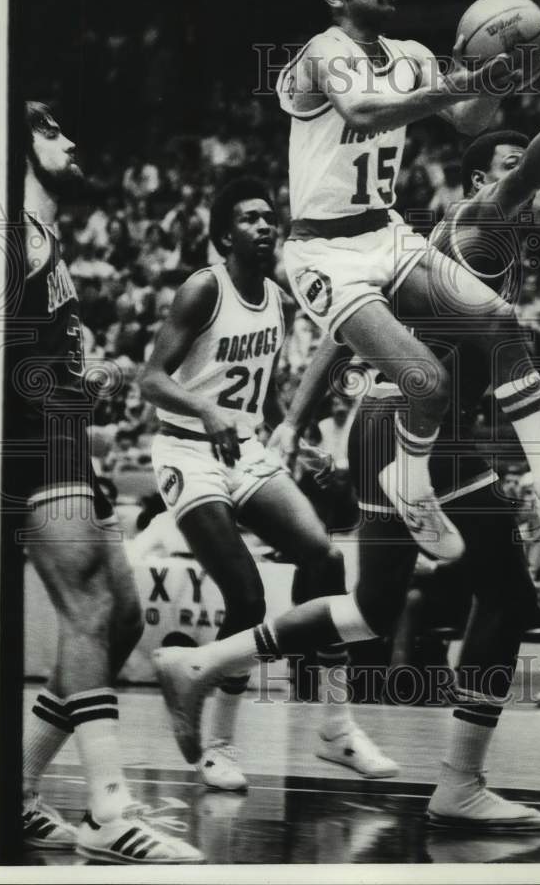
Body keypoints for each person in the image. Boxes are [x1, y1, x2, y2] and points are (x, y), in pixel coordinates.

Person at [152, 31, 540, 827]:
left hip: (385, 425)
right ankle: (459, 782)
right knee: (510, 595)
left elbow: (346, 335)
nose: (524, 183)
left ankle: (204, 660)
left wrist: (296, 419)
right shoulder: (475, 226)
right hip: (419, 432)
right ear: (480, 177)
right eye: (507, 168)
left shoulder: (443, 249)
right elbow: (527, 178)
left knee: (374, 608)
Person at [277, 0, 540, 558]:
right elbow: (362, 113)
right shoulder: (321, 53)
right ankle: (409, 487)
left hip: (383, 231)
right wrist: (475, 76)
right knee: (428, 382)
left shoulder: (410, 54)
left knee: (499, 321)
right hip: (324, 250)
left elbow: (470, 119)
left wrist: (518, 77)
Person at [139, 177, 397, 788]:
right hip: (187, 451)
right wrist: (205, 410)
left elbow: (260, 388)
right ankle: (221, 744)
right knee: (248, 597)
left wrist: (294, 438)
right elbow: (150, 379)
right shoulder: (204, 289)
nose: (264, 226)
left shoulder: (278, 299)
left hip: (246, 448)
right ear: (225, 233)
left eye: (269, 217)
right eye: (250, 218)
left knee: (326, 557)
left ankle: (336, 730)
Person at [10, 102, 201, 863]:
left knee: (119, 615)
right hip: (24, 436)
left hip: (56, 429)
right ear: (11, 146)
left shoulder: (46, 238)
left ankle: (13, 793)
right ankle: (109, 809)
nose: (72, 137)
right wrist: (64, 387)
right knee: (90, 602)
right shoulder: (2, 231)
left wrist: (91, 377)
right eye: (51, 129)